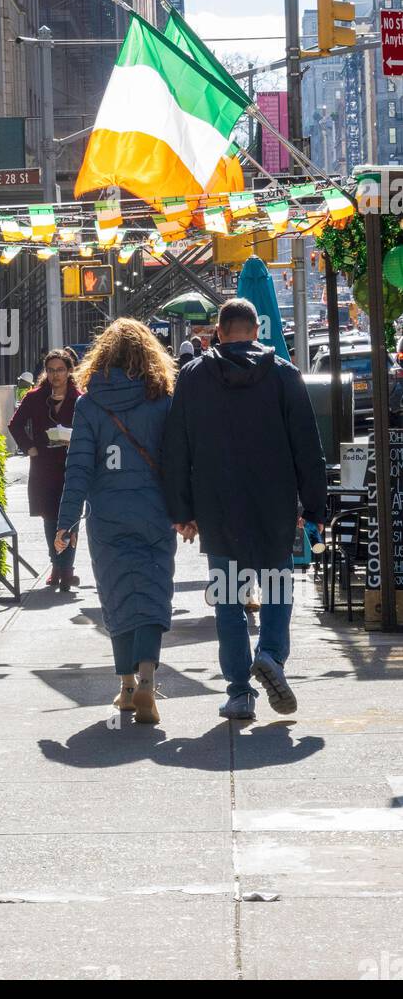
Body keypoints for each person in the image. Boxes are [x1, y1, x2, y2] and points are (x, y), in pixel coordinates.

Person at [162, 297, 327, 723]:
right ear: (257, 331)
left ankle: (239, 693)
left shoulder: (195, 376)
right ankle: (271, 654)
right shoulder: (284, 375)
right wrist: (315, 507)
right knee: (275, 588)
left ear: (218, 333)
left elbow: (176, 447)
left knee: (229, 600)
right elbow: (307, 445)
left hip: (218, 508)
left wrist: (181, 510)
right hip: (274, 503)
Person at [55, 320, 176, 725]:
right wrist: (188, 512)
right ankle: (147, 681)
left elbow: (78, 469)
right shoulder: (162, 401)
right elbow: (180, 462)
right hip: (153, 513)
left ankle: (125, 687)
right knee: (153, 594)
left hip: (105, 516)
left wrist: (66, 522)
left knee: (117, 595)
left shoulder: (88, 405)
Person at [8, 349, 82, 591]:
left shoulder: (79, 398)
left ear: (69, 371)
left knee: (70, 517)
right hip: (44, 464)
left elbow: (91, 429)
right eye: (51, 370)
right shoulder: (35, 397)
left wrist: (78, 443)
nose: (55, 375)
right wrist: (29, 447)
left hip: (72, 463)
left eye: (60, 370)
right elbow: (15, 424)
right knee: (50, 516)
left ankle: (67, 568)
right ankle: (56, 565)